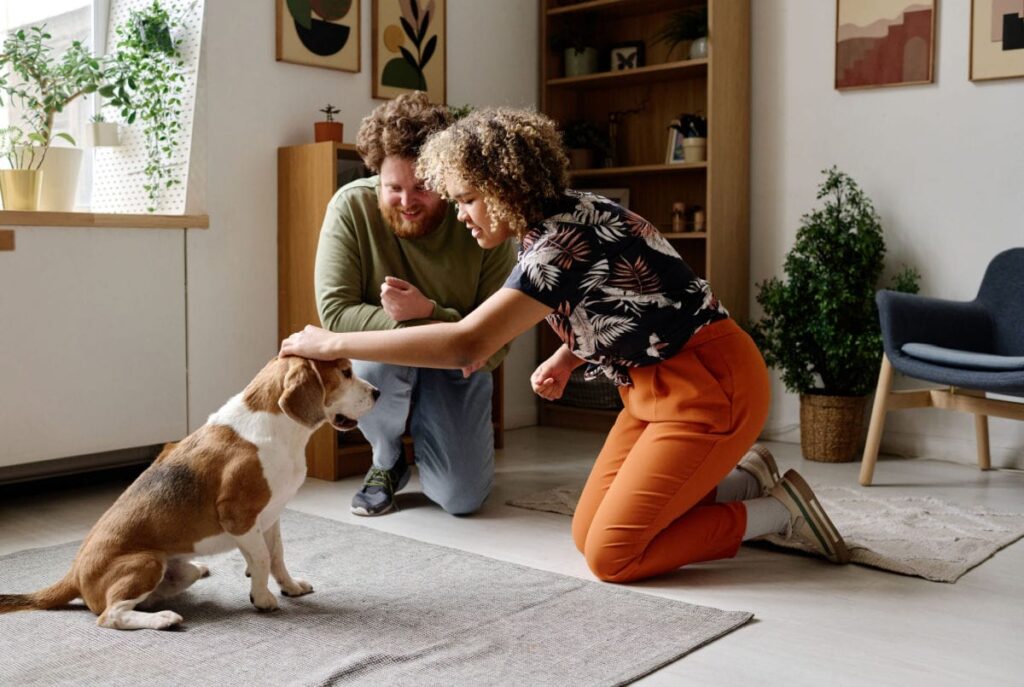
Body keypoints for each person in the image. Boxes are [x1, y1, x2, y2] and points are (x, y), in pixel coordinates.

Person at [284, 107, 850, 582]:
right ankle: (741, 477)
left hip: (710, 389)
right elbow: (630, 301)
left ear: (503, 189)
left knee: (612, 556)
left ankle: (777, 512)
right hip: (654, 391)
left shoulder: (556, 245)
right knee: (585, 530)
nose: (460, 214)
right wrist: (567, 354)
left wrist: (328, 339)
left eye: (467, 199)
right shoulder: (573, 213)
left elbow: (467, 344)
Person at [313, 93, 517, 517]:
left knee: (462, 500)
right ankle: (387, 460)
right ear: (377, 178)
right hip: (386, 362)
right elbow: (335, 315)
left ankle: (434, 435)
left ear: (444, 178)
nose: (407, 201)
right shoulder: (350, 207)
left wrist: (430, 316)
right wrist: (429, 331)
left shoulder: (482, 218)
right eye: (394, 188)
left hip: (457, 365)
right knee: (371, 355)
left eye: (422, 187)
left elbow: (497, 342)